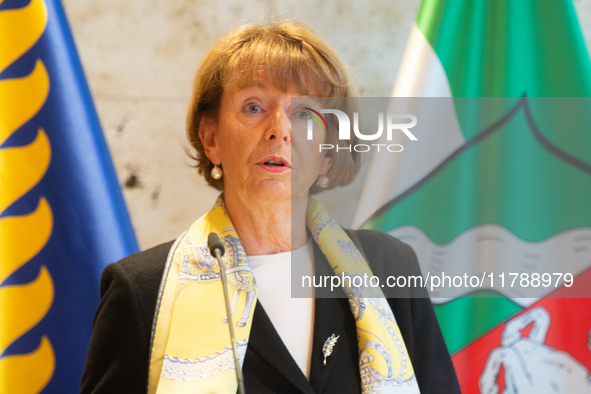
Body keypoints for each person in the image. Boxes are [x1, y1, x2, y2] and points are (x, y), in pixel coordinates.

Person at [81, 21, 460, 394]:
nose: (280, 129)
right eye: (253, 107)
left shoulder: (390, 268)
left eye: (304, 114)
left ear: (327, 152)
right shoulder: (143, 290)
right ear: (211, 139)